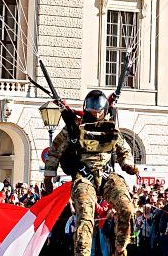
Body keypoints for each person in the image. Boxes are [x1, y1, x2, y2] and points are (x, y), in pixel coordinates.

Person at [44, 90, 139, 256]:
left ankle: (120, 248)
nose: (96, 112)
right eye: (92, 108)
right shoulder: (73, 129)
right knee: (85, 215)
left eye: (99, 109)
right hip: (84, 178)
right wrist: (48, 177)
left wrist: (128, 166)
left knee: (127, 208)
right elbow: (55, 152)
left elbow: (124, 150)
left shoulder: (111, 129)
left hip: (107, 176)